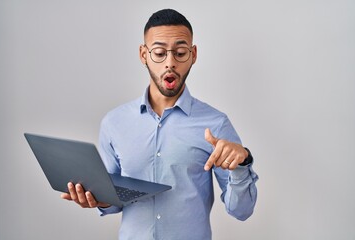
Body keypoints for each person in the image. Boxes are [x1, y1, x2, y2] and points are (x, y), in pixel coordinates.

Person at [61, 8, 258, 240]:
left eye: (180, 52)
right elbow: (113, 203)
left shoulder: (215, 123)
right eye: (159, 53)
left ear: (193, 55)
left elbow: (241, 210)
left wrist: (242, 163)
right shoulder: (114, 123)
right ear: (143, 55)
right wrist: (96, 198)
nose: (170, 63)